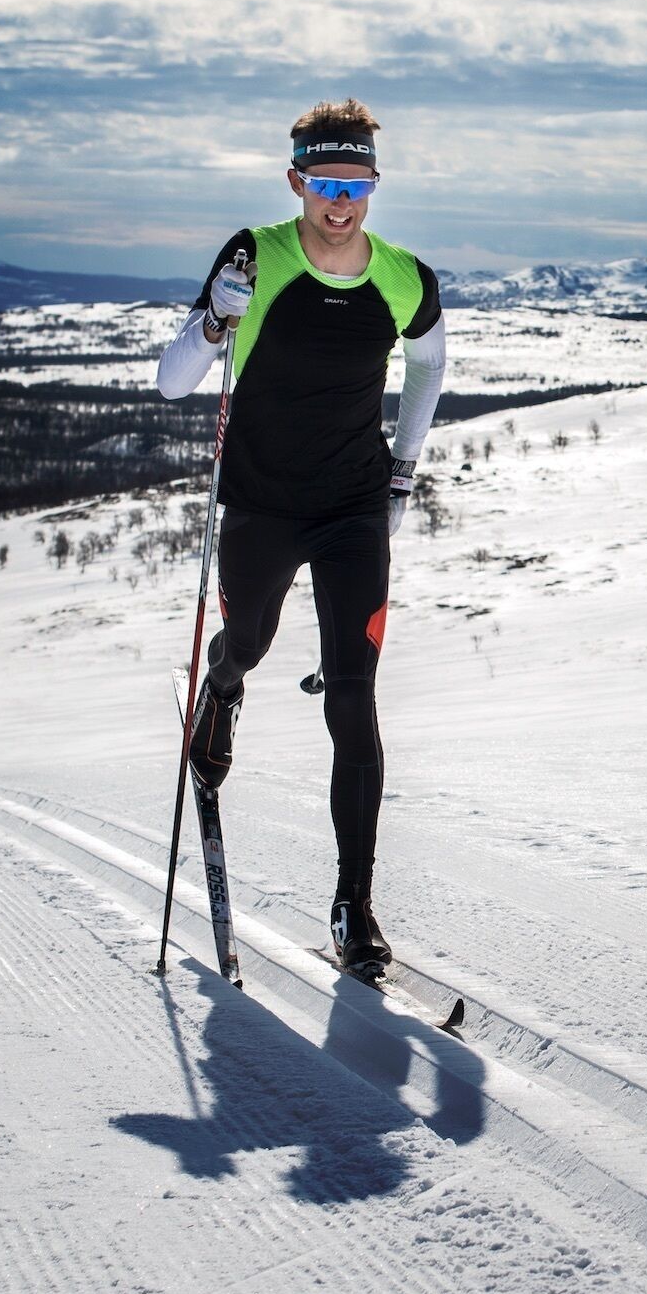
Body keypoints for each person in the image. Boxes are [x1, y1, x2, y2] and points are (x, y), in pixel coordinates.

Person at [153, 98, 446, 976]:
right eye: (324, 182)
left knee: (353, 696)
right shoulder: (256, 256)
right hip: (263, 501)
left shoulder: (405, 277)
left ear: (373, 186)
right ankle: (223, 686)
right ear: (296, 183)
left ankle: (355, 905)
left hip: (353, 506)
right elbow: (173, 384)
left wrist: (401, 468)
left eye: (355, 183)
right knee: (249, 639)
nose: (340, 201)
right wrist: (213, 318)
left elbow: (431, 364)